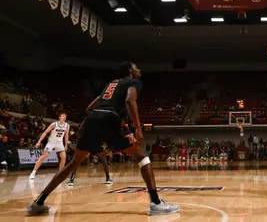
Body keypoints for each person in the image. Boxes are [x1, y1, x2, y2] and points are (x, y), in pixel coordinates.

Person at [26, 62, 180, 216]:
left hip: (93, 118)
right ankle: (156, 203)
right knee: (143, 157)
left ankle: (37, 203)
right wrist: (138, 128)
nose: (139, 69)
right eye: (136, 67)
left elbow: (89, 108)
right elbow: (129, 100)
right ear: (130, 71)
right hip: (110, 118)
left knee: (73, 164)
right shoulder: (133, 82)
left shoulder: (111, 84)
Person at [29, 112, 70, 179]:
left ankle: (59, 173)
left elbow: (66, 135)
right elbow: (45, 132)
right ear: (59, 117)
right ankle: (33, 172)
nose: (64, 117)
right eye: (63, 116)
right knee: (44, 156)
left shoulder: (67, 125)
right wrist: (39, 142)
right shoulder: (54, 124)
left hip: (59, 143)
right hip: (51, 142)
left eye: (65, 116)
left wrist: (66, 145)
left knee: (63, 157)